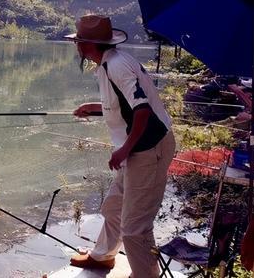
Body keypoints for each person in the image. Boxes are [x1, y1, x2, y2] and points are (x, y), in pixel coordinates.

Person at [64, 15, 176, 277]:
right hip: (138, 147)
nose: (77, 46)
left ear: (86, 44)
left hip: (149, 149)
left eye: (78, 41)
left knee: (135, 227)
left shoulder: (116, 66)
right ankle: (102, 257)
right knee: (114, 207)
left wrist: (124, 149)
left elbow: (142, 111)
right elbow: (126, 106)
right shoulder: (108, 63)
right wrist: (95, 108)